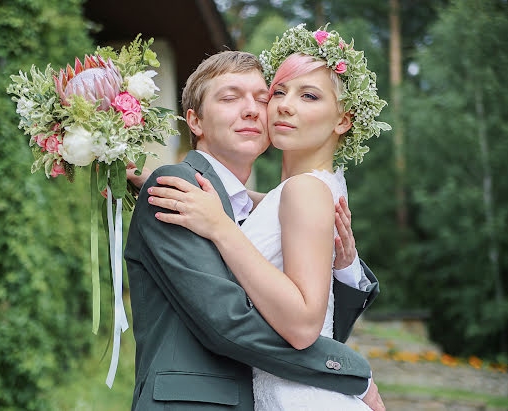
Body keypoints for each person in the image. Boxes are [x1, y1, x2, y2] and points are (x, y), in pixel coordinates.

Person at [124, 27, 385, 410]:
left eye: (262, 97)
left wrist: (344, 268)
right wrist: (349, 374)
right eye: (230, 98)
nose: (254, 108)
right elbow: (229, 322)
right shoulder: (182, 191)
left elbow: (316, 326)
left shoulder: (258, 204)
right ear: (194, 122)